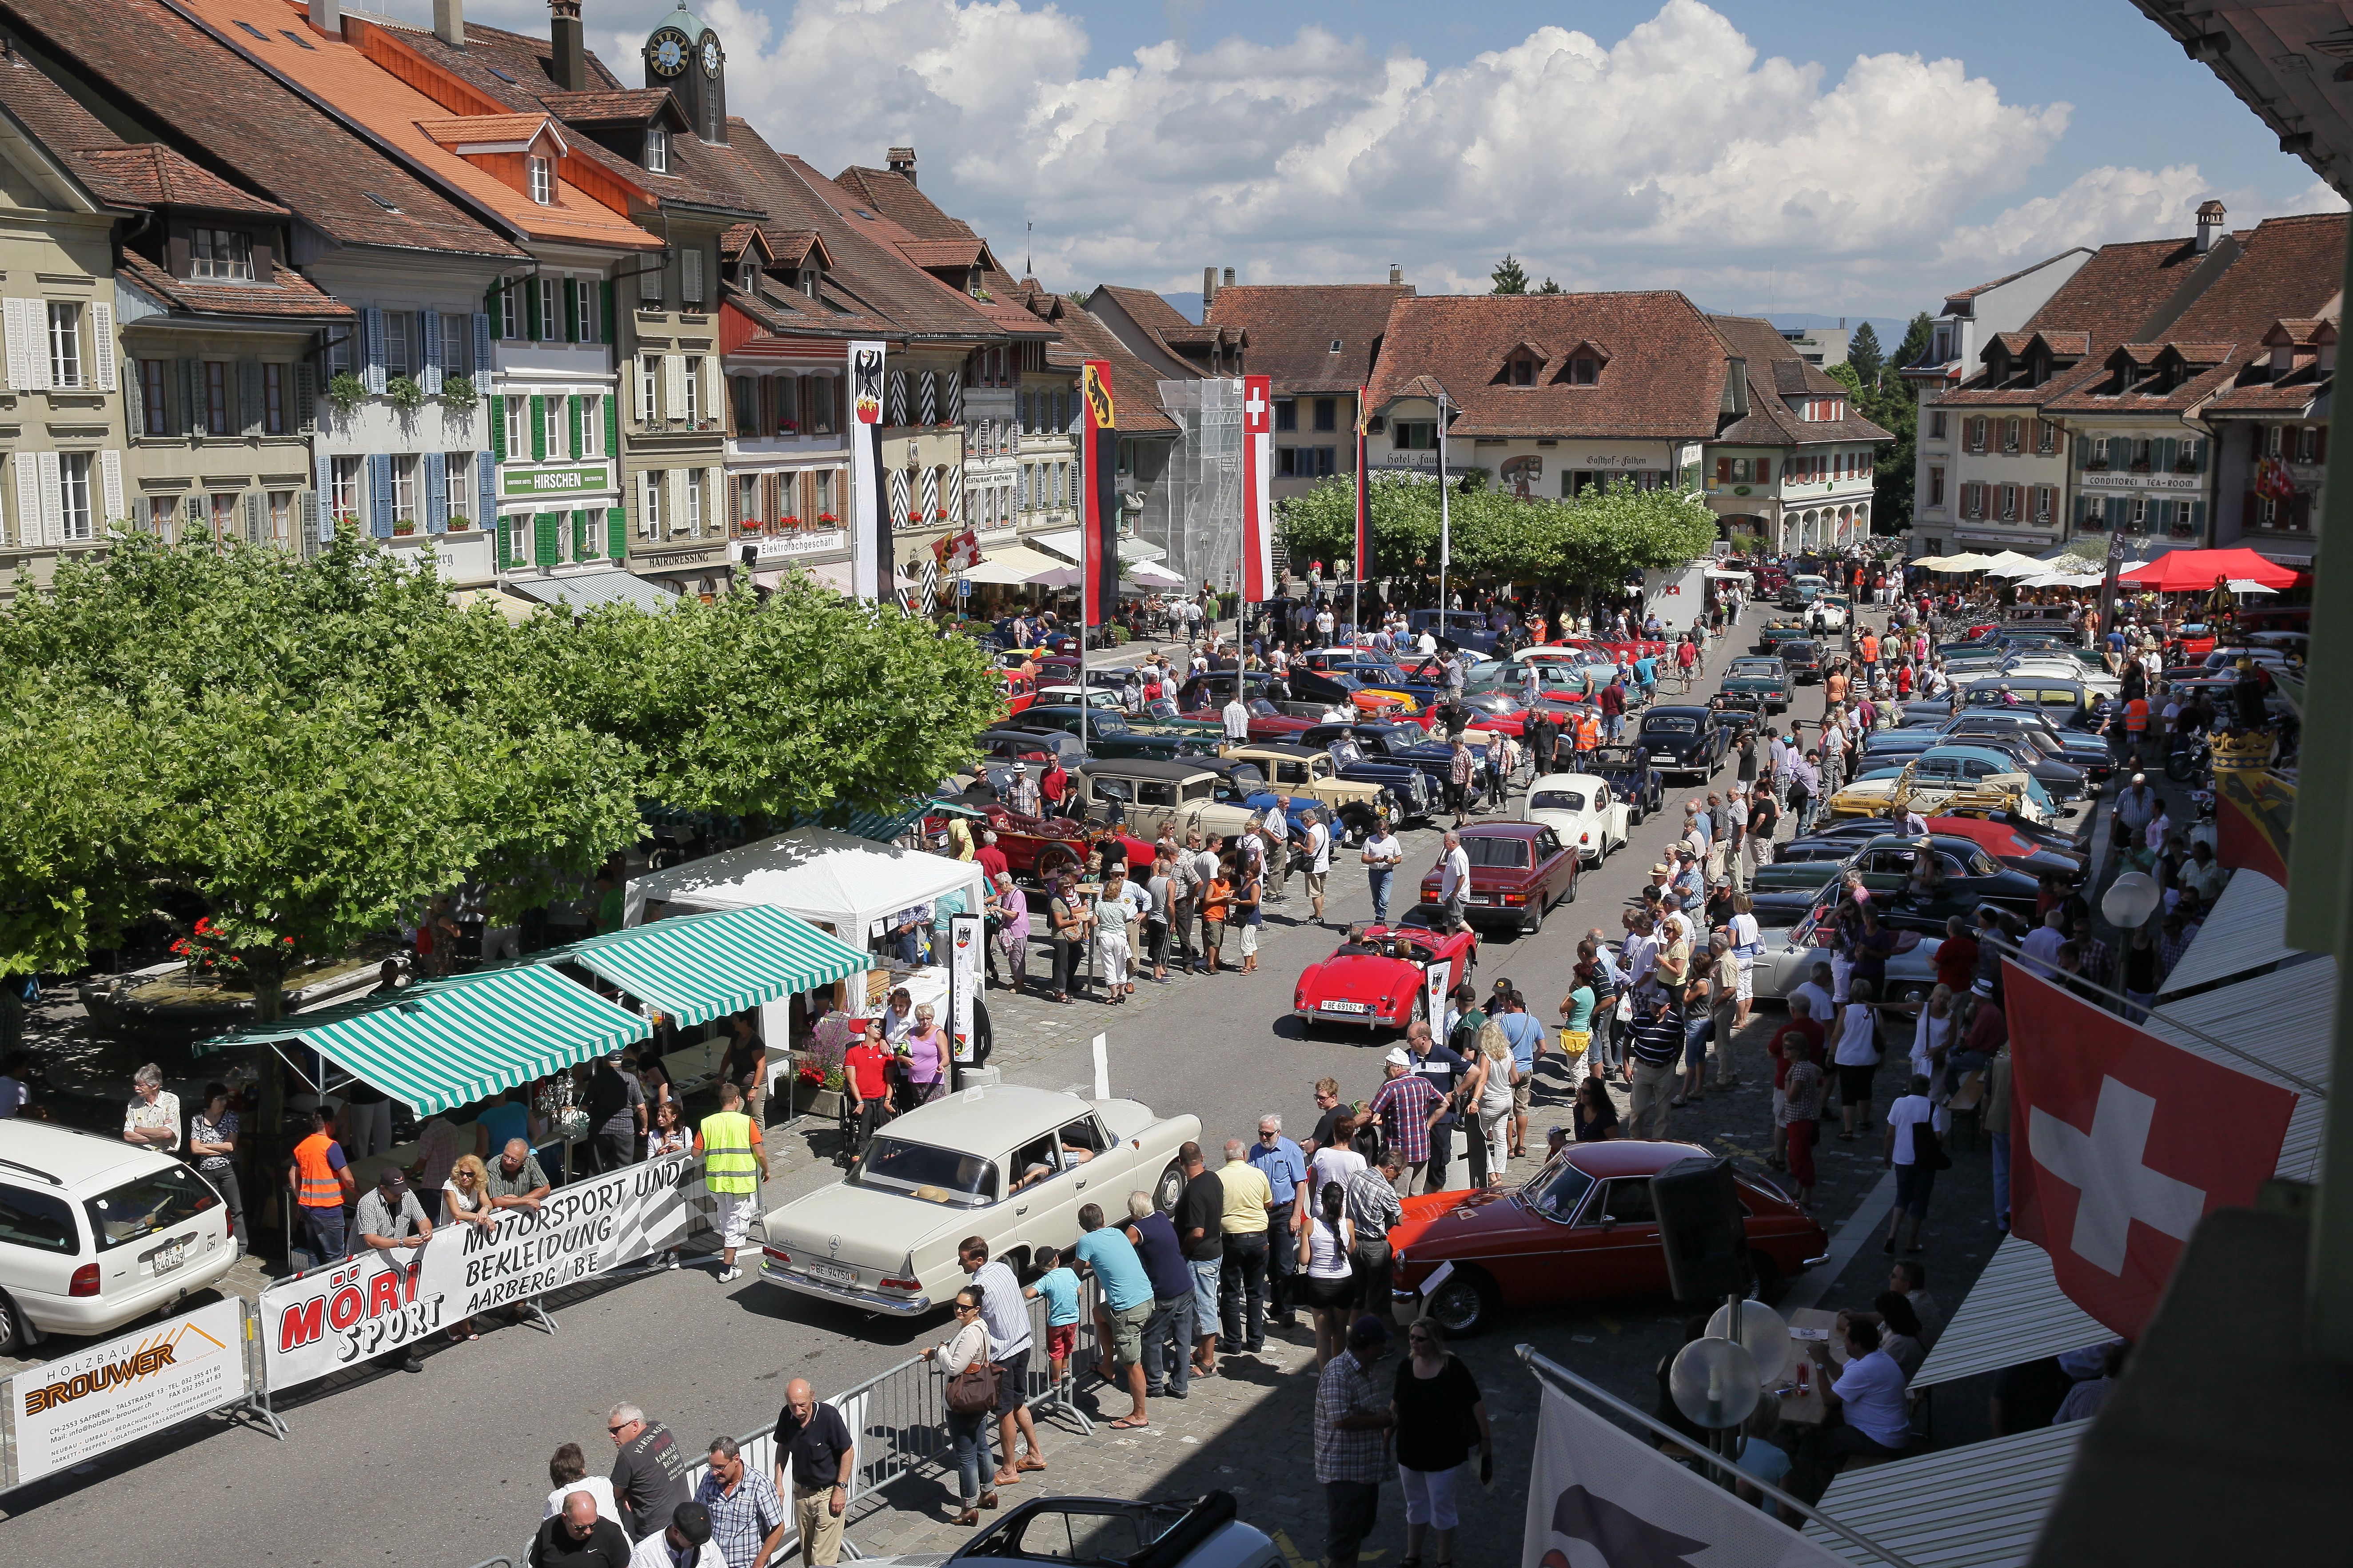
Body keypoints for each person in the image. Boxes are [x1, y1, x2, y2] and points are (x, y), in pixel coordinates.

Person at [959, 1237, 1048, 1484]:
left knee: (1004, 1412)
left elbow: (973, 1323)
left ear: (978, 1260)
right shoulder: (1003, 1268)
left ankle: (1009, 1469)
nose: (959, 1263)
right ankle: (1034, 1453)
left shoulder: (979, 1287)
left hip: (1003, 1355)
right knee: (1019, 1403)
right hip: (1023, 1345)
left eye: (963, 1259)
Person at [1314, 1316, 1395, 1568]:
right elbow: (1340, 1419)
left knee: (1357, 1533)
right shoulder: (1339, 1372)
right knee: (1343, 1542)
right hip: (1346, 1472)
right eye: (1382, 1344)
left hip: (1365, 1469)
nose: (1385, 1349)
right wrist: (1381, 1421)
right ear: (1370, 1346)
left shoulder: (1365, 1369)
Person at [1797, 1317, 1911, 1493]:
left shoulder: (1865, 1369)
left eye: (1847, 1339)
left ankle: (1820, 1496)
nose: (1844, 1341)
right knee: (1816, 1426)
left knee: (1811, 1445)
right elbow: (1841, 1376)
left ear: (1857, 1345)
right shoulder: (1872, 1356)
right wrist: (1826, 1358)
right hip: (1880, 1427)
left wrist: (1819, 1364)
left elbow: (1828, 1398)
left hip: (1880, 1438)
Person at [1073, 1203, 1155, 1429]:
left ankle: (1140, 1414)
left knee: (1132, 1364)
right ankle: (1107, 1367)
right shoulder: (1117, 1232)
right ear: (1103, 1218)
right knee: (1098, 1313)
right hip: (1147, 1298)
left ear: (1083, 1226)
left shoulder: (1086, 1242)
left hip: (1128, 1309)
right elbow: (1106, 1256)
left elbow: (1077, 1273)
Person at [923, 1287, 1000, 1525]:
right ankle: (988, 1493)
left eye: (965, 1307)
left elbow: (955, 1367)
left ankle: (968, 1508)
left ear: (976, 1309)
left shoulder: (970, 1334)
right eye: (956, 1305)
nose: (959, 1310)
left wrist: (940, 1351)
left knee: (966, 1456)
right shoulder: (981, 1327)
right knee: (982, 1447)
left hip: (964, 1401)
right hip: (979, 1396)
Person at [351, 1170, 433, 1373]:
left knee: (402, 1305)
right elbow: (370, 1241)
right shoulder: (368, 1203)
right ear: (382, 1189)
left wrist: (426, 1230)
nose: (399, 1195)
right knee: (373, 1309)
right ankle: (376, 1352)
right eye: (395, 1192)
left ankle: (403, 1355)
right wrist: (401, 1242)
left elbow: (423, 1219)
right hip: (368, 1262)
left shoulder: (406, 1195)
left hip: (396, 1258)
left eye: (401, 1190)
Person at [769, 1379, 857, 1566]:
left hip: (828, 1494)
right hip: (802, 1494)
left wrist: (840, 1489)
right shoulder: (787, 1415)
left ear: (812, 1397)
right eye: (793, 1406)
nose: (798, 1411)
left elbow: (848, 1451)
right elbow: (783, 1447)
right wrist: (779, 1483)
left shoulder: (828, 1417)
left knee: (821, 1561)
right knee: (809, 1558)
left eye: (802, 1405)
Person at [1123, 1190, 1198, 1401]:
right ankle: (1180, 1385)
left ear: (1133, 1212)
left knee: (1152, 1338)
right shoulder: (1162, 1217)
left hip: (1165, 1291)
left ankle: (1154, 1383)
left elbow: (1121, 1251)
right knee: (1183, 1339)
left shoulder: (1136, 1229)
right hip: (1184, 1284)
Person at [694, 1082, 768, 1284]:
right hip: (740, 1182)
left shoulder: (707, 1122)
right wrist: (767, 1170)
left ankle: (731, 1257)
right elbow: (760, 1153)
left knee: (726, 1218)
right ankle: (727, 1269)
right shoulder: (746, 1122)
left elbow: (696, 1152)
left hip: (717, 1183)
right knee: (737, 1221)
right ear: (737, 1099)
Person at [1215, 1137, 1274, 1356]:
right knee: (1255, 1292)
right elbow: (1269, 1203)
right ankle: (1256, 1340)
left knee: (1230, 1292)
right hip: (1259, 1239)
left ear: (1225, 1157)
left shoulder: (1219, 1178)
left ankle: (1232, 1342)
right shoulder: (1258, 1174)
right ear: (1245, 1154)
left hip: (1232, 1239)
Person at [693, 1436, 786, 1568]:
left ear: (736, 1459)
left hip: (746, 1564)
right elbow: (697, 1513)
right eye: (711, 1467)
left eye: (720, 1467)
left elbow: (778, 1527)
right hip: (714, 1562)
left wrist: (759, 1564)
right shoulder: (709, 1480)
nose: (714, 1473)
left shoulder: (759, 1486)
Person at [1367, 1045, 1442, 1194]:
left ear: (1398, 1067)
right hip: (1422, 1149)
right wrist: (1428, 1125)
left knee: (1399, 1196)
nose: (1386, 1072)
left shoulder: (1391, 1087)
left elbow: (1372, 1113)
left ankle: (1399, 1218)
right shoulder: (1424, 1083)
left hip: (1399, 1155)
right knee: (1417, 1195)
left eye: (1387, 1069)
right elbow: (1444, 1103)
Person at [288, 1102, 355, 1264]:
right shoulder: (331, 1146)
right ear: (328, 1124)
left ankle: (314, 1283)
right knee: (335, 1255)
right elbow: (348, 1179)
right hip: (328, 1209)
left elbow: (292, 1175)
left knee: (315, 1251)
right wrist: (359, 1195)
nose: (337, 1125)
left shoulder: (302, 1146)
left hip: (308, 1209)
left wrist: (301, 1199)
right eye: (335, 1122)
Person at [186, 1082, 247, 1250]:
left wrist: (206, 1147)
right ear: (209, 1100)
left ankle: (241, 1245)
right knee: (213, 1210)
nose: (224, 1102)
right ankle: (218, 1244)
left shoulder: (231, 1117)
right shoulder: (197, 1120)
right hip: (206, 1172)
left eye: (225, 1098)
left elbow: (231, 1147)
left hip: (228, 1170)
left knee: (236, 1208)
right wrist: (219, 1147)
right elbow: (194, 1149)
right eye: (219, 1099)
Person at [1884, 1074, 1938, 1255]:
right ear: (1927, 1090)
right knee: (1920, 1201)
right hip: (1925, 1161)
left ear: (1910, 1087)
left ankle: (1892, 1236)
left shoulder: (1899, 1103)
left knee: (1902, 1197)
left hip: (1902, 1158)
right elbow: (1938, 1137)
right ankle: (1911, 1242)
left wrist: (1887, 1155)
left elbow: (1890, 1134)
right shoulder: (1932, 1108)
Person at [1623, 985, 1684, 1140]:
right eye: (1652, 1004)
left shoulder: (1675, 1022)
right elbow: (1627, 1041)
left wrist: (1673, 1064)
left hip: (1665, 1070)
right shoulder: (1639, 1019)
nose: (1655, 1008)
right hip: (1643, 1069)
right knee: (1638, 1109)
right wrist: (1626, 1066)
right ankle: (1635, 1140)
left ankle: (1659, 1143)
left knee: (1663, 1112)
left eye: (1659, 1006)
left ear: (1668, 1006)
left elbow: (1680, 1042)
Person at [531, 1491, 636, 1568]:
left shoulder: (611, 1534)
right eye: (580, 1528)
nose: (588, 1532)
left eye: (593, 1525)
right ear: (565, 1518)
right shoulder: (548, 1530)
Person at [1834, 979, 1882, 1140]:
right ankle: (1864, 1120)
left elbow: (1836, 1036)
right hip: (1869, 1058)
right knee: (1865, 1090)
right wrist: (1883, 1055)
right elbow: (1882, 1035)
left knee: (1848, 1094)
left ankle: (1848, 1129)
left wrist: (1830, 1055)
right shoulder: (1875, 1011)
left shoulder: (1846, 1011)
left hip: (1847, 1059)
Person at [586, 1052, 647, 1174]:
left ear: (605, 1062)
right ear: (621, 1062)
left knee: (594, 1168)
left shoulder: (597, 1079)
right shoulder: (631, 1079)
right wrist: (645, 1126)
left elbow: (584, 1106)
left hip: (599, 1129)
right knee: (623, 1170)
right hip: (624, 1130)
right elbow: (641, 1107)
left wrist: (594, 1114)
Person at [1473, 1022, 1518, 1187]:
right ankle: (1499, 1173)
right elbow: (1515, 1079)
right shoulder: (1508, 1052)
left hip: (1491, 1102)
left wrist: (1475, 1100)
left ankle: (1492, 1176)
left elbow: (1482, 1080)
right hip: (1507, 1099)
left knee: (1479, 1138)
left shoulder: (1486, 1056)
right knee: (1501, 1139)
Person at [625, 1502, 722, 1568]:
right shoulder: (644, 1555)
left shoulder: (707, 1545)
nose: (698, 1546)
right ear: (676, 1532)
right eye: (693, 1543)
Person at [545, 1443, 621, 1524]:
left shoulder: (556, 1499)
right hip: (619, 1535)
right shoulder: (603, 1483)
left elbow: (547, 1527)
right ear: (582, 1470)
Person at [486, 1137, 553, 1215]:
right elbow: (497, 1201)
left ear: (524, 1161)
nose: (508, 1162)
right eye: (506, 1156)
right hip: (500, 1216)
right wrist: (526, 1201)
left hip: (522, 1214)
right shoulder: (493, 1165)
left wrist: (521, 1200)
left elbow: (545, 1188)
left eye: (514, 1160)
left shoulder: (530, 1161)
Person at [123, 1063, 180, 1151]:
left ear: (155, 1086)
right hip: (140, 1153)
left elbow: (166, 1133)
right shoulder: (134, 1103)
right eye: (136, 1085)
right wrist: (159, 1133)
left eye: (141, 1086)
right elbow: (128, 1136)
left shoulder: (171, 1100)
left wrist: (138, 1130)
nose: (136, 1088)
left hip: (166, 1156)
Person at [900, 1004, 950, 1099]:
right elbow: (897, 1054)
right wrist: (904, 1059)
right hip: (915, 1081)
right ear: (918, 1019)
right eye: (922, 1019)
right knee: (919, 1110)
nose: (926, 1022)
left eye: (929, 1019)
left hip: (934, 1081)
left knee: (934, 1111)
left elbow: (946, 1057)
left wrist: (942, 1065)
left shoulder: (938, 1033)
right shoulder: (911, 1033)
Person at [1438, 830, 1472, 931]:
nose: (1444, 843)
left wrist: (1454, 894)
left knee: (1456, 919)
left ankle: (1474, 935)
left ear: (1453, 842)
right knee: (1450, 922)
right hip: (1451, 895)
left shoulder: (1459, 855)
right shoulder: (1453, 854)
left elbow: (1462, 877)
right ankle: (1450, 942)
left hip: (1456, 896)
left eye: (1446, 841)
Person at [1572, 1075, 1619, 1142]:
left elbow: (1614, 1143)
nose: (1582, 1094)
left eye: (1587, 1092)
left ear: (1596, 1095)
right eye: (1582, 1090)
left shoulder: (1607, 1117)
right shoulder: (1579, 1108)